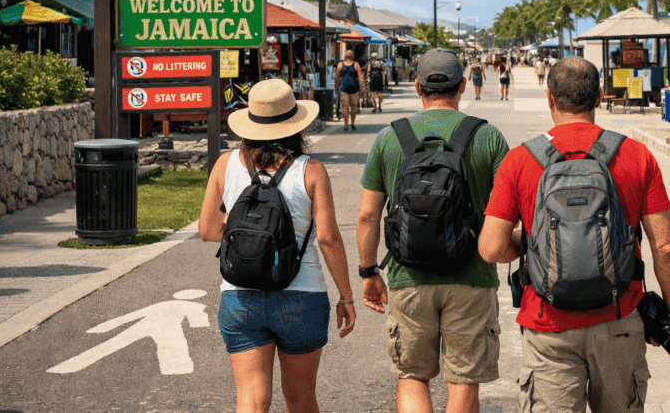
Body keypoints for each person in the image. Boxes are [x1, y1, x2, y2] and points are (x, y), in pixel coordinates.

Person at [478, 57, 670, 413]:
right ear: (600, 97)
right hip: (619, 317)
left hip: (548, 323)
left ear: (549, 99)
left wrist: (532, 244)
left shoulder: (520, 160)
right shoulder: (635, 155)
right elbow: (664, 246)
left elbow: (491, 247)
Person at [356, 48, 510, 413]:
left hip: (408, 275)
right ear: (462, 85)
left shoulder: (389, 138)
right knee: (463, 380)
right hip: (472, 275)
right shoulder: (488, 137)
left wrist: (368, 273)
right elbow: (510, 211)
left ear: (417, 88)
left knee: (412, 376)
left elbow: (366, 215)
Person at [198, 79, 357, 413]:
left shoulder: (226, 165)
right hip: (302, 294)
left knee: (251, 399)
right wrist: (346, 295)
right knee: (301, 399)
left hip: (240, 294)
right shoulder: (311, 170)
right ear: (295, 126)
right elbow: (329, 238)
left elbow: (208, 230)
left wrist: (248, 232)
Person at [335, 50, 363, 131]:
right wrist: (362, 87)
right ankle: (352, 123)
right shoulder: (356, 64)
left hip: (344, 87)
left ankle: (346, 124)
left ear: (345, 56)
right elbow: (360, 76)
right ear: (352, 56)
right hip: (354, 87)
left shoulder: (340, 65)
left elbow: (337, 77)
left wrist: (336, 88)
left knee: (345, 106)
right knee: (354, 106)